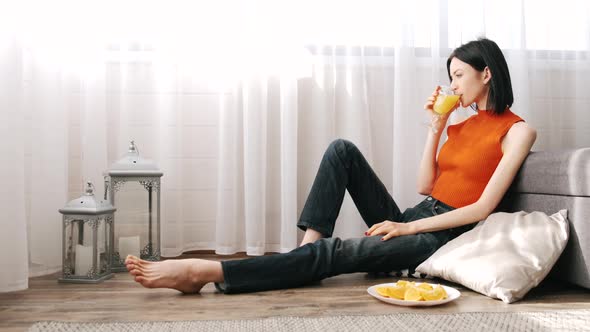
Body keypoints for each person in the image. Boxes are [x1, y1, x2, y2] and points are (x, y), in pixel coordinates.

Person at [124, 38, 537, 294]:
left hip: (442, 236)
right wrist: (436, 127)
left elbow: (482, 209)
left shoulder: (518, 131)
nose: (452, 86)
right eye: (450, 77)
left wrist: (406, 228)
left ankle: (207, 272)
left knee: (338, 252)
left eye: (459, 76)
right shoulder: (459, 127)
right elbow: (426, 187)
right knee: (342, 149)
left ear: (486, 74)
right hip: (419, 217)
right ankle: (307, 253)